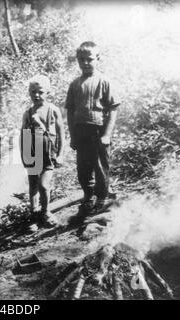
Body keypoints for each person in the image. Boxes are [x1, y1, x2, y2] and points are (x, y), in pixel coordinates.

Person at [65, 41, 120, 214]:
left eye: (89, 59)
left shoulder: (104, 81)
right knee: (83, 168)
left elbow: (113, 109)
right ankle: (88, 197)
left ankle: (102, 198)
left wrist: (107, 135)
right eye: (81, 59)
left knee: (100, 167)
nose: (85, 63)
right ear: (77, 60)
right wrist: (73, 136)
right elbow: (70, 111)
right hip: (81, 131)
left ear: (97, 58)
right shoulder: (75, 84)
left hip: (98, 131)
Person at [20, 75, 65, 228]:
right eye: (33, 92)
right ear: (29, 92)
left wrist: (60, 154)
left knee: (43, 185)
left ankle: (46, 212)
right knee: (33, 183)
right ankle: (34, 215)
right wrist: (25, 155)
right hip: (33, 152)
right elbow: (24, 135)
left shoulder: (53, 110)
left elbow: (61, 133)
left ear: (48, 92)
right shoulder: (28, 113)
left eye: (40, 91)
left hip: (49, 152)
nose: (37, 95)